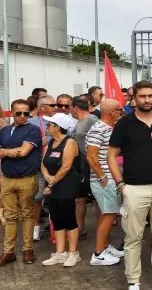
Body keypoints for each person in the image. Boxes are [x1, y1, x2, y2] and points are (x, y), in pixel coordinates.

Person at [108, 80, 152, 290]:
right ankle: (133, 281)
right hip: (134, 189)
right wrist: (121, 185)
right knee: (133, 238)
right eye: (142, 96)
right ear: (134, 98)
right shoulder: (124, 124)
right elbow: (112, 156)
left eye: (150, 96)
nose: (147, 100)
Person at [0, 99, 41, 266]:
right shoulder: (4, 130)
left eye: (26, 113)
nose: (23, 116)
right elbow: (18, 151)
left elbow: (24, 152)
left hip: (27, 179)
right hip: (7, 179)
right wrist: (10, 151)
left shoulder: (34, 130)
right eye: (19, 113)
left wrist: (3, 152)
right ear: (12, 113)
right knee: (9, 217)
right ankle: (8, 252)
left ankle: (27, 249)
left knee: (27, 215)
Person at [40, 113, 82, 267]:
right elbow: (43, 163)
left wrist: (51, 183)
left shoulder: (69, 142)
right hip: (53, 185)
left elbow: (66, 167)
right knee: (56, 218)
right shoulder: (51, 142)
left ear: (57, 127)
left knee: (68, 218)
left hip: (66, 185)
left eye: (50, 125)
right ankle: (60, 252)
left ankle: (73, 253)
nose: (47, 127)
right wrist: (47, 177)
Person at [87, 99, 124, 266]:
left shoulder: (108, 128)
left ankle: (105, 247)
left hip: (108, 179)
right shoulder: (98, 129)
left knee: (106, 215)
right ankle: (98, 254)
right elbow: (91, 156)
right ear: (112, 112)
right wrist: (103, 177)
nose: (122, 112)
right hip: (103, 180)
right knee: (109, 216)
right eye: (119, 109)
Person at [27, 94, 57, 242]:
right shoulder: (30, 123)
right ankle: (35, 229)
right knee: (37, 198)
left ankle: (55, 229)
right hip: (38, 167)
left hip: (55, 167)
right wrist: (39, 142)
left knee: (55, 198)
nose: (56, 108)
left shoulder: (58, 122)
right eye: (53, 105)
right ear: (42, 108)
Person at [70, 96, 99, 241]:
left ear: (75, 108)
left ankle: (102, 229)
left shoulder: (92, 120)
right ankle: (80, 228)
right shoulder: (78, 122)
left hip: (92, 163)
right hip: (79, 165)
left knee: (97, 198)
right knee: (79, 198)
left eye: (70, 108)